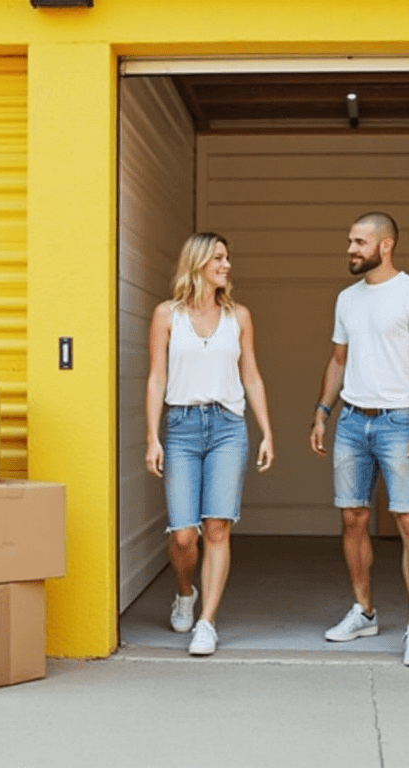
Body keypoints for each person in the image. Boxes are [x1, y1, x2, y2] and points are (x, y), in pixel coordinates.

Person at [308, 212, 409, 666]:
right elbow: (338, 360)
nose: (351, 249)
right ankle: (363, 611)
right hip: (351, 421)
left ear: (385, 246)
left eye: (359, 242)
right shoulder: (347, 299)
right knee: (352, 518)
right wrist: (323, 412)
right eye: (350, 240)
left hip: (399, 422)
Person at [146, 232, 275, 656]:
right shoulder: (167, 315)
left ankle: (207, 622)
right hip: (181, 426)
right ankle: (186, 592)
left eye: (227, 257)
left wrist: (266, 431)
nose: (227, 265)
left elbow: (251, 376)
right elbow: (157, 378)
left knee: (218, 527)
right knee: (185, 535)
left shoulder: (239, 316)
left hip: (227, 427)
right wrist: (152, 436)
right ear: (198, 262)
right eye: (218, 258)